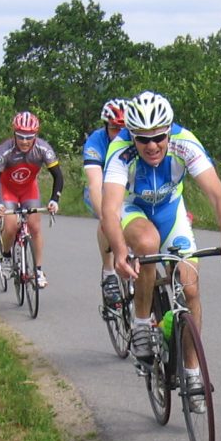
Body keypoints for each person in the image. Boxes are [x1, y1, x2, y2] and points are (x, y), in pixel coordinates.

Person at [100, 91, 221, 410]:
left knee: (190, 288)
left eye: (159, 137)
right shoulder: (120, 150)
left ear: (169, 130)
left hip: (170, 211)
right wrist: (121, 251)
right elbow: (109, 210)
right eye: (143, 139)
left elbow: (219, 196)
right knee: (148, 244)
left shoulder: (185, 143)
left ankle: (192, 371)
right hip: (134, 211)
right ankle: (140, 324)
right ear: (132, 136)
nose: (152, 146)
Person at [0, 111, 65, 288]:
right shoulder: (5, 150)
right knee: (10, 225)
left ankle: (38, 270)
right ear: (14, 134)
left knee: (35, 227)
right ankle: (6, 256)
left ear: (35, 135)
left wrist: (54, 200)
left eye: (29, 137)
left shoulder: (43, 148)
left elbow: (58, 177)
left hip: (28, 189)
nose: (24, 141)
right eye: (20, 137)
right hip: (7, 190)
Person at [82, 99, 128, 305]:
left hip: (127, 189)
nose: (119, 134)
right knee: (108, 218)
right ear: (105, 127)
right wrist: (106, 217)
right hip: (101, 189)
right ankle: (109, 273)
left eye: (124, 128)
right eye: (114, 128)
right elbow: (94, 183)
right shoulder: (96, 141)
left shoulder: (137, 140)